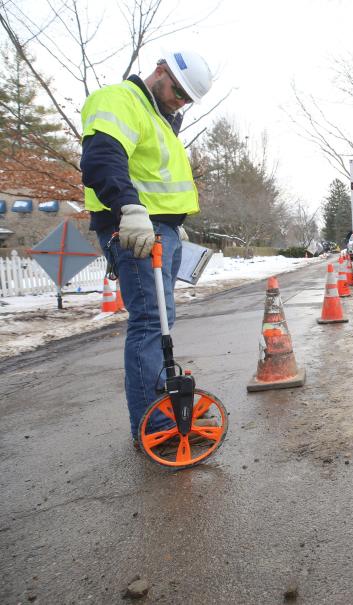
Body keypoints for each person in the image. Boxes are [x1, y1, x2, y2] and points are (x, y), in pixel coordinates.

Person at [79, 51, 213, 446]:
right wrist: (130, 210)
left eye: (188, 99)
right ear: (159, 71)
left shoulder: (159, 118)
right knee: (150, 325)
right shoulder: (119, 99)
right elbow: (102, 158)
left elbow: (156, 176)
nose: (180, 101)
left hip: (159, 228)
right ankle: (152, 427)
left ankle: (162, 407)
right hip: (137, 228)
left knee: (160, 323)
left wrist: (174, 223)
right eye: (178, 91)